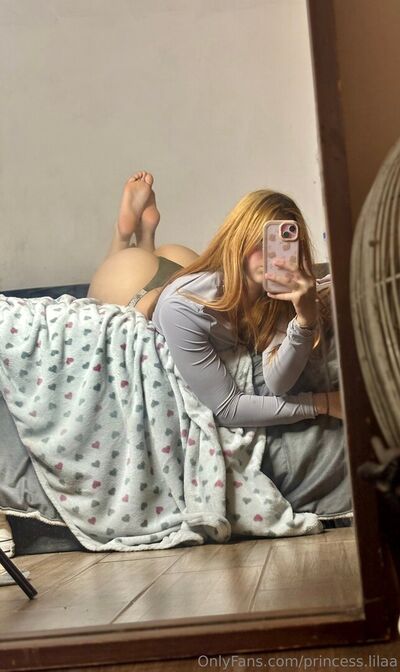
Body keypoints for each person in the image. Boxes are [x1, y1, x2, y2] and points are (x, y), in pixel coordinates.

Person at [88, 171, 341, 428]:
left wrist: (305, 320)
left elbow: (278, 383)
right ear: (239, 240)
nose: (273, 257)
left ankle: (146, 236)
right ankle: (125, 233)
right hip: (135, 285)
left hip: (183, 266)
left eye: (283, 245)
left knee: (187, 282)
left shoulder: (278, 292)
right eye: (261, 242)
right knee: (105, 294)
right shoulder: (184, 308)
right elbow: (228, 409)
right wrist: (322, 403)